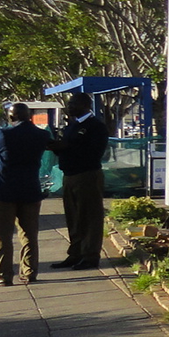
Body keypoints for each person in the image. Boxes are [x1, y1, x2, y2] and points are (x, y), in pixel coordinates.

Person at [0, 103, 50, 287]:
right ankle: (29, 273)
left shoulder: (4, 134)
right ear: (29, 116)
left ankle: (3, 275)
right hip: (30, 188)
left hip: (3, 190)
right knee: (29, 234)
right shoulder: (42, 135)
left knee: (2, 236)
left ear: (11, 117)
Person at [52, 93, 109, 271]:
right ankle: (75, 253)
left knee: (89, 217)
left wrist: (67, 148)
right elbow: (65, 148)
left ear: (85, 105)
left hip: (87, 175)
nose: (69, 107)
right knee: (74, 217)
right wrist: (57, 147)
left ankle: (90, 256)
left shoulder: (95, 126)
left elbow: (94, 152)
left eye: (73, 103)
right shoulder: (72, 126)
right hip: (69, 175)